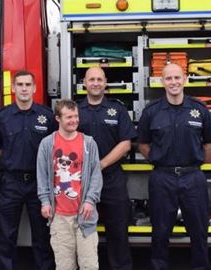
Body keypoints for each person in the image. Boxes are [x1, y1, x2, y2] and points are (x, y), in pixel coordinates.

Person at [137, 63, 211, 270]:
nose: (173, 82)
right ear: (161, 82)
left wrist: (194, 161)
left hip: (193, 177)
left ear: (185, 79)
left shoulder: (199, 109)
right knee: (160, 231)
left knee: (199, 231)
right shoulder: (151, 112)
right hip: (162, 178)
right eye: (168, 78)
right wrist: (160, 161)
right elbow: (143, 145)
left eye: (177, 78)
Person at [0, 70, 56, 270]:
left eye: (28, 85)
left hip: (40, 183)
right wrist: (13, 158)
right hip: (12, 182)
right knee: (7, 234)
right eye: (20, 84)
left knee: (42, 234)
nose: (24, 88)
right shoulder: (3, 117)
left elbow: (55, 145)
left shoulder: (46, 116)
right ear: (14, 88)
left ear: (34, 88)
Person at [77, 66, 135, 270]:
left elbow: (126, 144)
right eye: (91, 79)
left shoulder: (117, 109)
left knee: (118, 230)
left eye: (99, 80)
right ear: (84, 83)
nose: (95, 83)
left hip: (111, 178)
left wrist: (101, 164)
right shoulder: (74, 111)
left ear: (105, 82)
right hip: (81, 181)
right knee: (82, 230)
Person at [37, 99, 103, 270]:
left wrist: (90, 200)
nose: (74, 120)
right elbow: (42, 176)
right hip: (59, 217)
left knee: (89, 265)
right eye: (69, 117)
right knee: (65, 266)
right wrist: (45, 202)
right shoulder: (47, 144)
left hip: (85, 217)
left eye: (76, 116)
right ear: (58, 118)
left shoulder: (88, 143)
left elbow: (96, 175)